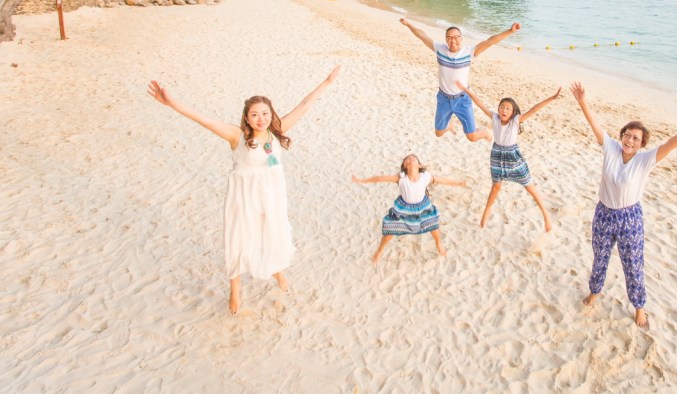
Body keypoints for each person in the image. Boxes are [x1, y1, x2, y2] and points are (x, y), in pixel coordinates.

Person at [147, 66, 340, 314]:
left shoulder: (276, 132)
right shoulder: (236, 136)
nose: (261, 119)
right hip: (244, 197)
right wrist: (172, 103)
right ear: (247, 118)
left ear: (271, 114)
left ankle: (278, 272)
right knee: (239, 238)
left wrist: (327, 82)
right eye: (255, 115)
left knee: (273, 234)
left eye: (265, 113)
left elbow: (304, 105)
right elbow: (203, 119)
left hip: (272, 196)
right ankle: (235, 289)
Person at [570, 81, 677, 328]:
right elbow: (595, 125)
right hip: (604, 213)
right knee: (599, 257)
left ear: (642, 143)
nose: (630, 140)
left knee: (633, 263)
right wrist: (582, 101)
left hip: (629, 218)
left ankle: (639, 307)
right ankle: (595, 291)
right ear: (622, 135)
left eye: (636, 138)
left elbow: (669, 145)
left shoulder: (645, 160)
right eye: (627, 135)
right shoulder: (611, 148)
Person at [456, 81, 560, 231]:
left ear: (513, 112)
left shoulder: (515, 121)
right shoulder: (494, 117)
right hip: (497, 155)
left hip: (513, 157)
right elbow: (479, 103)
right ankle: (486, 214)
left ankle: (546, 215)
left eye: (508, 108)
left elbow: (534, 109)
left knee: (528, 185)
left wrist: (552, 98)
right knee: (496, 186)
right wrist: (466, 90)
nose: (504, 110)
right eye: (502, 107)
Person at [399, 18, 521, 141]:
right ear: (446, 40)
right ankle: (449, 126)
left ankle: (484, 132)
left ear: (461, 38)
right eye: (449, 37)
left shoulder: (469, 53)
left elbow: (490, 41)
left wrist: (510, 31)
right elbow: (422, 36)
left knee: (472, 137)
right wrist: (408, 24)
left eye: (456, 37)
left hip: (462, 100)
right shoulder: (440, 50)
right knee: (438, 133)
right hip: (443, 99)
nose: (453, 40)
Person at [352, 154, 468, 263]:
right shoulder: (401, 178)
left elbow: (441, 180)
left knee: (433, 225)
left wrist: (458, 183)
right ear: (405, 167)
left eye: (413, 158)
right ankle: (379, 251)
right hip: (404, 209)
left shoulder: (425, 177)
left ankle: (438, 243)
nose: (411, 159)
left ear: (419, 165)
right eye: (407, 159)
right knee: (389, 229)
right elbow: (379, 178)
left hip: (423, 207)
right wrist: (361, 180)